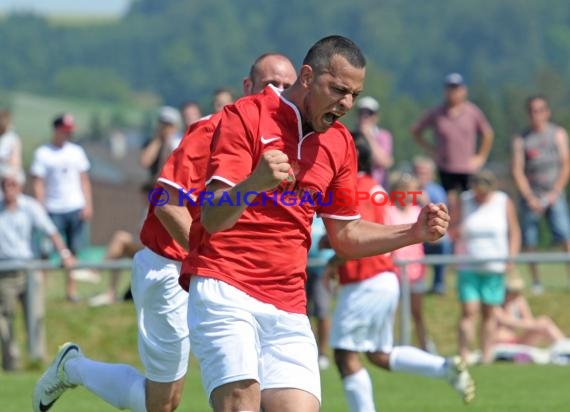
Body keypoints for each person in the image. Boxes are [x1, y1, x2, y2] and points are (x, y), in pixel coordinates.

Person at [180, 35, 449, 412]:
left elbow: (346, 235)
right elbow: (212, 217)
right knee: (241, 401)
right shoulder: (244, 116)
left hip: (288, 302)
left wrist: (413, 232)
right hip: (225, 287)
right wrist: (255, 182)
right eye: (338, 89)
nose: (347, 103)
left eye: (354, 94)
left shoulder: (340, 143)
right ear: (307, 76)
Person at [33, 52, 298, 412]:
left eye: (287, 87)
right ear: (247, 87)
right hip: (170, 266)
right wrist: (208, 258)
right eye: (270, 84)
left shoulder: (285, 140)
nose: (278, 93)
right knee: (161, 404)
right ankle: (74, 367)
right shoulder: (212, 129)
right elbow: (163, 199)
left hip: (224, 277)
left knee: (255, 386)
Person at [322, 137, 474, 411]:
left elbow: (357, 237)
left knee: (345, 355)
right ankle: (444, 367)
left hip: (365, 279)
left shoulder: (357, 189)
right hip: (381, 278)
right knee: (378, 354)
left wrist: (334, 258)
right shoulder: (374, 188)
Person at [0, 166, 75, 371]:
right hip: (4, 272)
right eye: (4, 183)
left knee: (35, 318)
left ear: (20, 185)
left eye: (12, 183)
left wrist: (64, 254)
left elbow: (51, 230)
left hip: (29, 269)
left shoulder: (30, 206)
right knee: (5, 322)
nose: (8, 188)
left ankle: (39, 363)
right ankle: (10, 365)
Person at [452, 170, 521, 364]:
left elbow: (514, 231)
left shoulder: (502, 201)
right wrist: (457, 233)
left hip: (494, 265)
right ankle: (464, 353)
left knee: (489, 312)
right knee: (469, 310)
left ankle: (487, 355)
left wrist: (511, 258)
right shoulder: (465, 200)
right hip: (468, 263)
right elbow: (453, 227)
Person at [30, 114, 93, 302]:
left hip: (74, 206)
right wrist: (40, 208)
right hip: (52, 208)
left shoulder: (76, 151)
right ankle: (40, 292)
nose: (67, 134)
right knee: (46, 252)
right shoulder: (43, 153)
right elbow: (38, 183)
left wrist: (88, 203)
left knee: (73, 251)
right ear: (56, 130)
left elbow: (84, 179)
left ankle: (71, 291)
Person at [411, 73, 494, 214]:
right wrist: (431, 150)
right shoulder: (437, 112)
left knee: (470, 203)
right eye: (450, 88)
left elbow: (487, 133)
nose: (453, 92)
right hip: (446, 167)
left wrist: (481, 156)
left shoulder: (472, 112)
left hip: (468, 168)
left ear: (464, 91)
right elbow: (416, 130)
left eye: (456, 88)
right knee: (447, 203)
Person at [511, 95, 570, 294]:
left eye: (541, 110)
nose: (537, 114)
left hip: (554, 193)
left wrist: (555, 192)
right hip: (531, 195)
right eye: (533, 110)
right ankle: (536, 282)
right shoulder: (522, 139)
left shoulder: (558, 134)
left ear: (547, 111)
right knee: (530, 240)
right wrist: (529, 197)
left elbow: (566, 164)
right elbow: (517, 170)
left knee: (565, 235)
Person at [387, 171, 430, 351]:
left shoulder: (416, 211)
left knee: (417, 311)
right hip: (394, 270)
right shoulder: (387, 211)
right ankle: (388, 347)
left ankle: (425, 346)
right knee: (391, 312)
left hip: (415, 270)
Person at [494, 275, 568, 348]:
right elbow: (505, 320)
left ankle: (564, 347)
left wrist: (536, 325)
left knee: (544, 321)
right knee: (543, 323)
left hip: (516, 341)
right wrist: (534, 325)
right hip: (501, 342)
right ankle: (565, 347)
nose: (517, 293)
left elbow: (529, 320)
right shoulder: (496, 304)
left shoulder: (518, 300)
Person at [413, 155, 452, 295]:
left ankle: (438, 284)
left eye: (424, 172)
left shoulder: (437, 191)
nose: (420, 175)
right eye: (418, 172)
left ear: (431, 174)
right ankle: (414, 283)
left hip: (430, 232)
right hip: (410, 232)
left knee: (445, 242)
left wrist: (425, 202)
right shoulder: (406, 189)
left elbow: (441, 214)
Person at [306, 215, 335, 370]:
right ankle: (308, 352)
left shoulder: (324, 217)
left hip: (322, 269)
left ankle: (322, 353)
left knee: (322, 311)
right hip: (300, 269)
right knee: (302, 314)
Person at [354, 96, 393, 188]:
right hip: (356, 186)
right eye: (361, 113)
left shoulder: (384, 136)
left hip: (377, 186)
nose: (365, 116)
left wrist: (368, 136)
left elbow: (383, 161)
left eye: (369, 113)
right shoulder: (351, 136)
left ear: (376, 117)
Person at [140, 106, 182, 182]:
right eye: (163, 124)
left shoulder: (180, 141)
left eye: (169, 125)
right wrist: (159, 139)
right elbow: (145, 162)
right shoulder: (152, 141)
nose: (165, 128)